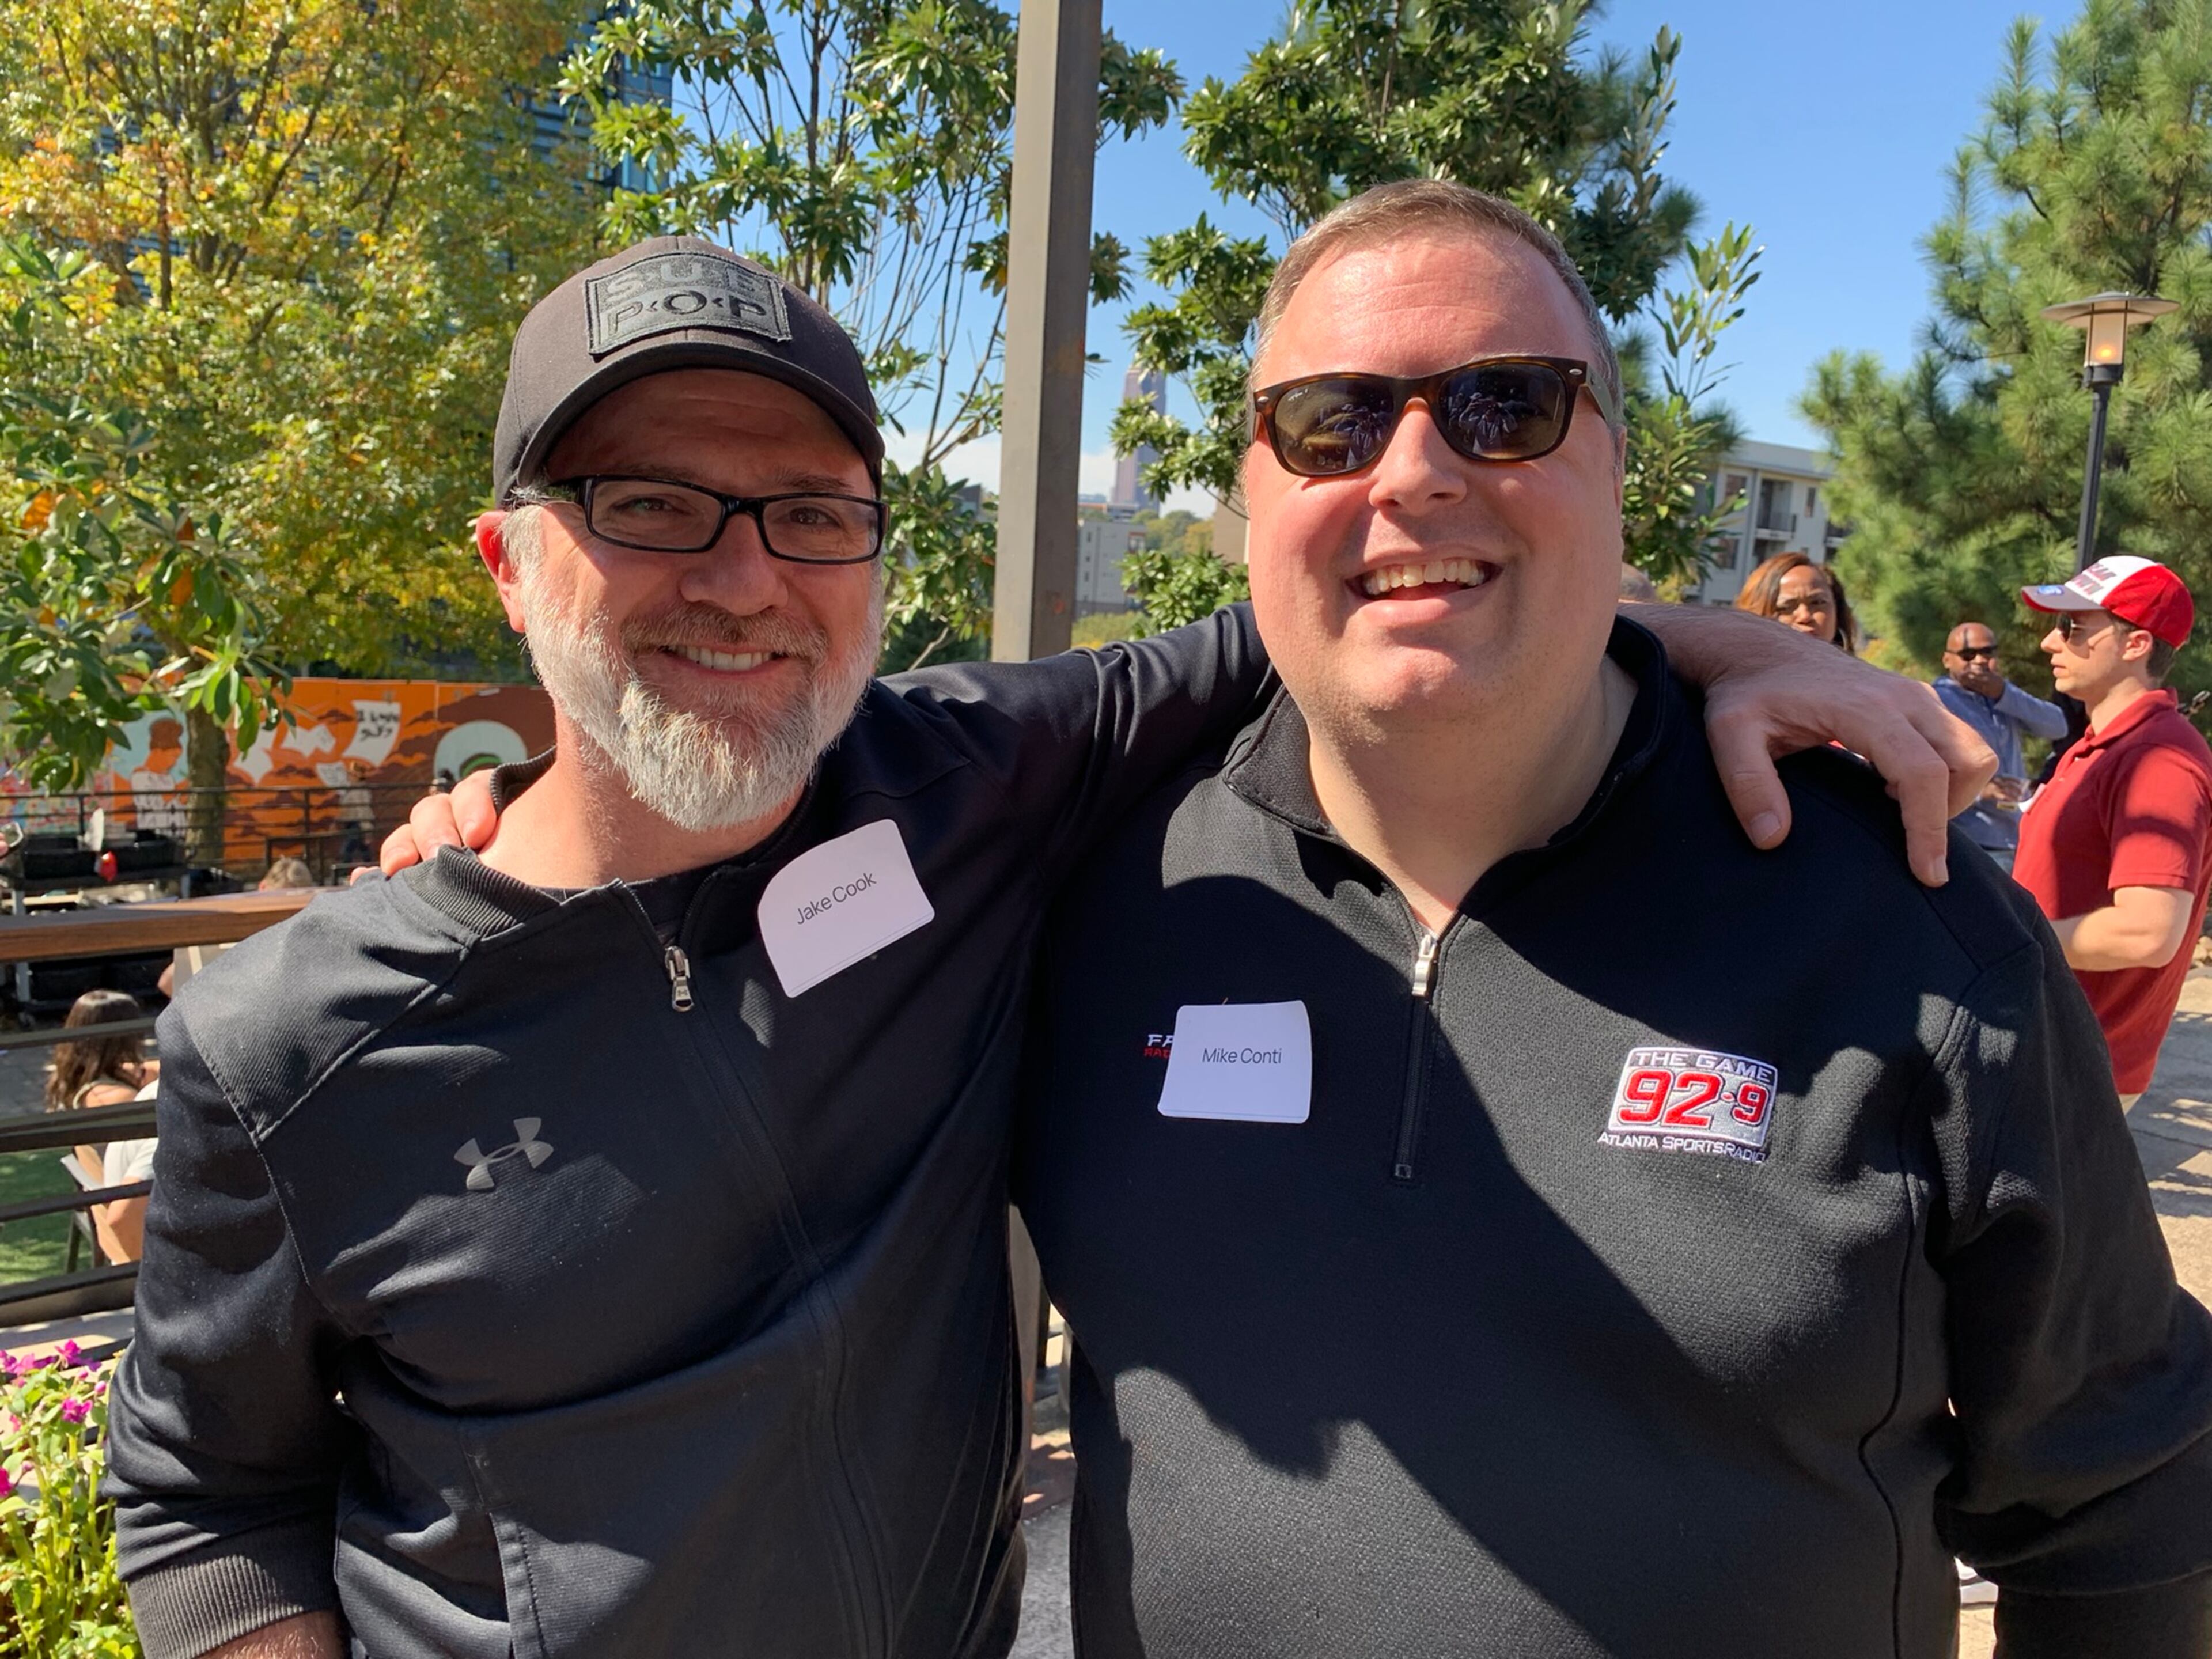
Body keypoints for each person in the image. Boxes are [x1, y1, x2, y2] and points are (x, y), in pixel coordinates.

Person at [108, 234, 1994, 1659]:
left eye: (809, 514)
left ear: (872, 554)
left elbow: (1374, 585)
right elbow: (205, 1504)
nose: (744, 576)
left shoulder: (975, 787)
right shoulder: (296, 1040)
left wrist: (1712, 637)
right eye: (651, 506)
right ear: (512, 561)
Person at [1010, 181, 2212, 1658]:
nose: (1410, 473)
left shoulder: (1908, 932)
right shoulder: (1094, 893)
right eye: (1333, 419)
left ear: (1618, 469)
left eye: (1502, 405)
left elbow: (2124, 1505)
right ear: (1252, 486)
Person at [2013, 556, 2212, 1105]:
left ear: (2136, 644)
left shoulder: (2159, 760)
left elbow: (2147, 931)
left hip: (2074, 1073)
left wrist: (2009, 936)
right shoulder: (2104, 744)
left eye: (2072, 627)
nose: (2052, 644)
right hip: (2046, 1051)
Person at [1933, 619, 2069, 868]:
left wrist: (2004, 694)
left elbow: (2057, 726)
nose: (1979, 661)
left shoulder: (2001, 695)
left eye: (1988, 652)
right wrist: (1979, 790)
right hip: (1970, 840)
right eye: (1967, 654)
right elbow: (1927, 774)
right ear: (1947, 660)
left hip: (2016, 837)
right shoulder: (1936, 701)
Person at [44, 988, 156, 1263]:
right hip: (131, 1214)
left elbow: (148, 1069)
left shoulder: (77, 1080)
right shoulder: (115, 1101)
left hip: (105, 1200)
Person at [1738, 548, 1857, 653]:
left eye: (1818, 603)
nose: (1805, 617)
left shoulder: (1860, 677)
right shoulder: (1736, 677)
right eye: (1785, 608)